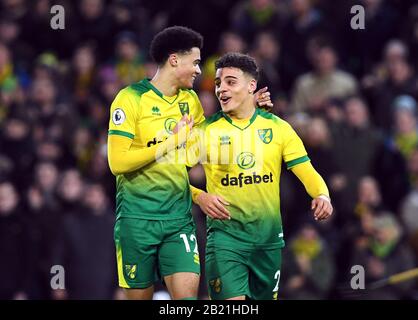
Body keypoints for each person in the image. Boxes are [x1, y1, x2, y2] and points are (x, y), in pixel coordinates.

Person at [107, 26, 272, 300]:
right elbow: (117, 162)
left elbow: (199, 153)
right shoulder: (130, 99)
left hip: (177, 221)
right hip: (137, 221)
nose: (198, 70)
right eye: (195, 62)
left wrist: (247, 110)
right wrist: (171, 143)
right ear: (174, 60)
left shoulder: (190, 101)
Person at [187, 53, 333, 300]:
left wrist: (322, 195)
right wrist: (199, 197)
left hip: (268, 243)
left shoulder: (278, 128)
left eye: (231, 82)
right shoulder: (205, 131)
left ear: (251, 86)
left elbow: (307, 171)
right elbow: (171, 175)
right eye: (219, 83)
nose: (221, 89)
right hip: (226, 240)